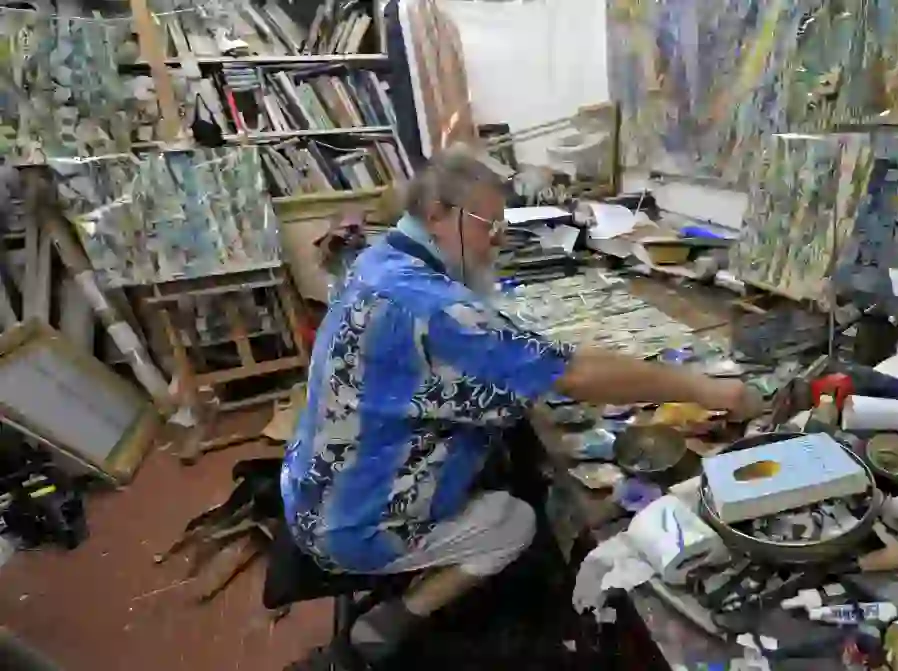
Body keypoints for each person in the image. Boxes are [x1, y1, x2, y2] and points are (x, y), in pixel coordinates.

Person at [280, 146, 763, 669]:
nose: (499, 240)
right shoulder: (433, 307)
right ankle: (398, 618)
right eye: (488, 226)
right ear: (437, 214)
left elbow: (523, 356)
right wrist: (708, 389)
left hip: (313, 485)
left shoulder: (382, 259)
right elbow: (574, 375)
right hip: (351, 521)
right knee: (515, 521)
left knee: (515, 443)